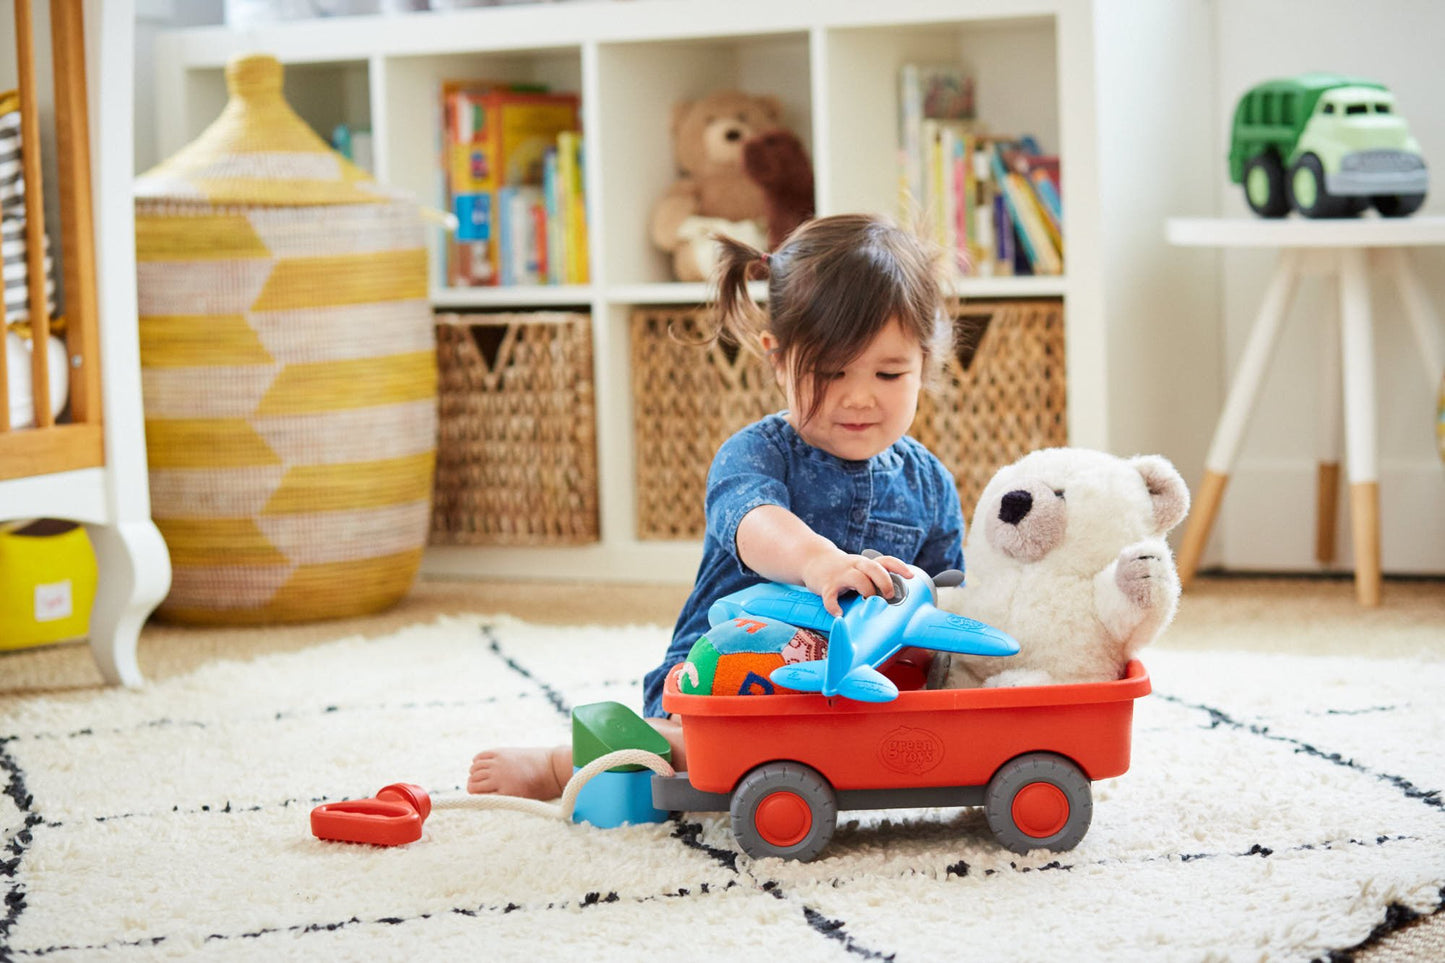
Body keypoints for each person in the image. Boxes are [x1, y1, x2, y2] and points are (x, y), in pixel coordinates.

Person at [468, 213, 965, 799]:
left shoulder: (930, 482)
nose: (859, 396)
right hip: (730, 669)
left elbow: (950, 598)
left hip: (859, 687)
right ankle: (562, 764)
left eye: (889, 372)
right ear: (777, 358)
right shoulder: (755, 454)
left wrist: (929, 616)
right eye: (830, 372)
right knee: (712, 743)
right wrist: (818, 562)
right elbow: (756, 524)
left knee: (928, 723)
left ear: (925, 363)